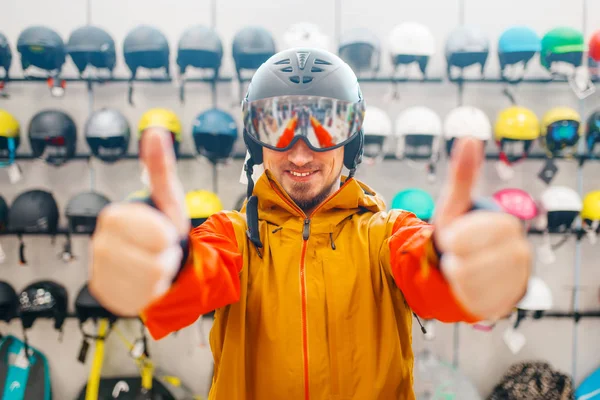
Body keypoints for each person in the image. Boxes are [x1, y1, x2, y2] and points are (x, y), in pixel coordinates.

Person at [89, 48, 532, 400]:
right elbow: (191, 282)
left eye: (324, 128)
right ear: (255, 139)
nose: (300, 153)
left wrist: (460, 266)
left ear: (351, 136)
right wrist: (165, 267)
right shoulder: (233, 236)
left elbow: (428, 273)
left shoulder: (387, 234)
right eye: (278, 127)